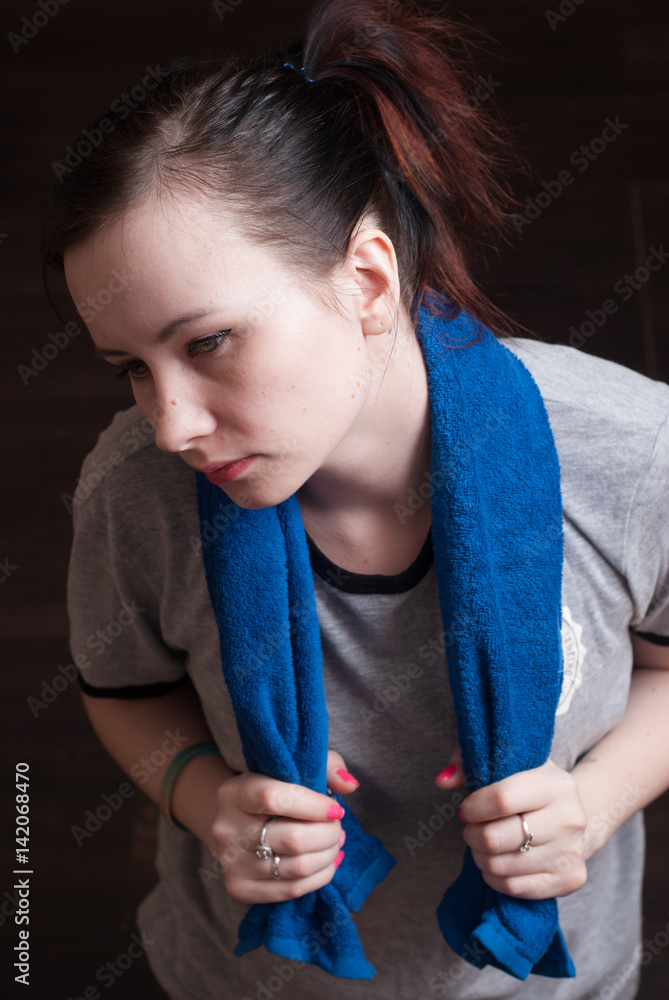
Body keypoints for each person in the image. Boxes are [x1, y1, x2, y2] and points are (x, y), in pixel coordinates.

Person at [43, 0, 669, 997]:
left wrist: (593, 804)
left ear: (369, 280)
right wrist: (206, 803)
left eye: (209, 342)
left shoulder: (630, 450)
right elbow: (126, 693)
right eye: (132, 367)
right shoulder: (137, 494)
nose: (170, 425)